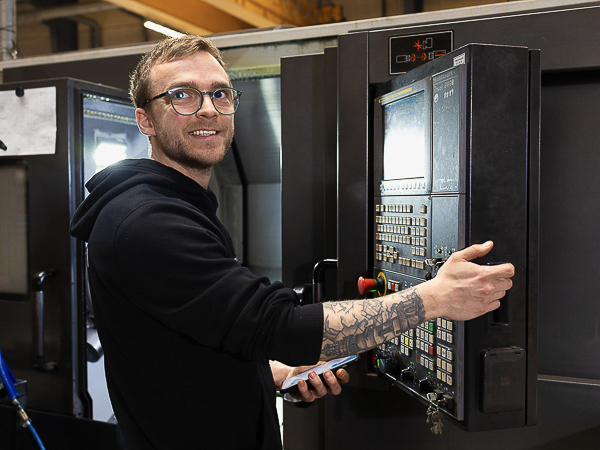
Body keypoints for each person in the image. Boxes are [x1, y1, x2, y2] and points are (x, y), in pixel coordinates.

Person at [70, 35, 514, 450]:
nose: (208, 109)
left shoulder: (179, 203)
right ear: (145, 119)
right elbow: (278, 327)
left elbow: (195, 342)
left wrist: (269, 375)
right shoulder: (146, 221)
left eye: (220, 93)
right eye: (182, 95)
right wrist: (434, 299)